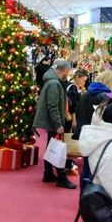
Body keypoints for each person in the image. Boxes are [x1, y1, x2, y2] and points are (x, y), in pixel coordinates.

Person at [32, 59, 77, 190]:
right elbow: (53, 106)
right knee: (58, 148)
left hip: (52, 121)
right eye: (66, 72)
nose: (67, 75)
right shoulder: (54, 84)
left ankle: (49, 173)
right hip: (54, 122)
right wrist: (58, 124)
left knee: (51, 146)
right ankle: (61, 177)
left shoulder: (53, 81)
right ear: (62, 70)